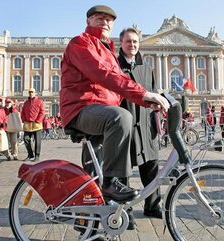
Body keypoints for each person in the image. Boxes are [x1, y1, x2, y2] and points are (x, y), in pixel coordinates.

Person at [60, 5, 169, 203]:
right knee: (121, 117)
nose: (104, 22)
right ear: (88, 21)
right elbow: (103, 74)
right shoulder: (81, 43)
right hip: (82, 108)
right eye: (98, 18)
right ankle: (111, 182)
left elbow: (120, 85)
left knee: (94, 170)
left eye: (108, 20)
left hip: (101, 111)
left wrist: (148, 102)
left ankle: (97, 219)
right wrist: (144, 93)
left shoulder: (108, 51)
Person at [117, 27, 162, 225]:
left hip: (145, 125)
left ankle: (153, 205)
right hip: (125, 125)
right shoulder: (115, 66)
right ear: (121, 43)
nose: (132, 45)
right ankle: (125, 212)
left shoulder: (146, 68)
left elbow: (152, 94)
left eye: (135, 42)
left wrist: (156, 123)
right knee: (123, 171)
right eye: (128, 41)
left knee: (151, 168)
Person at [21, 87, 45, 162]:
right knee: (26, 139)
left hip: (36, 124)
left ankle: (37, 156)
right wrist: (24, 119)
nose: (31, 93)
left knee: (37, 141)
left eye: (32, 92)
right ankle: (30, 154)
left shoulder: (39, 101)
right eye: (30, 92)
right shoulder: (26, 103)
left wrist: (38, 120)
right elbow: (22, 112)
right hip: (28, 124)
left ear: (35, 93)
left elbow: (42, 112)